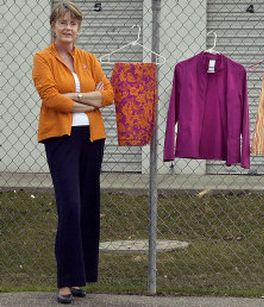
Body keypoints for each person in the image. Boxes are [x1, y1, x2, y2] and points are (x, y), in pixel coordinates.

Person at [32, 1, 114, 304]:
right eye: (63, 22)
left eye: (73, 24)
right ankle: (64, 281)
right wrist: (87, 99)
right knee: (70, 206)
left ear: (78, 28)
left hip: (92, 137)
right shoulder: (43, 59)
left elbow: (108, 94)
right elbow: (51, 98)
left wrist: (77, 97)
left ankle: (80, 278)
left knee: (88, 205)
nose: (68, 28)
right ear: (53, 25)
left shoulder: (89, 59)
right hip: (61, 139)